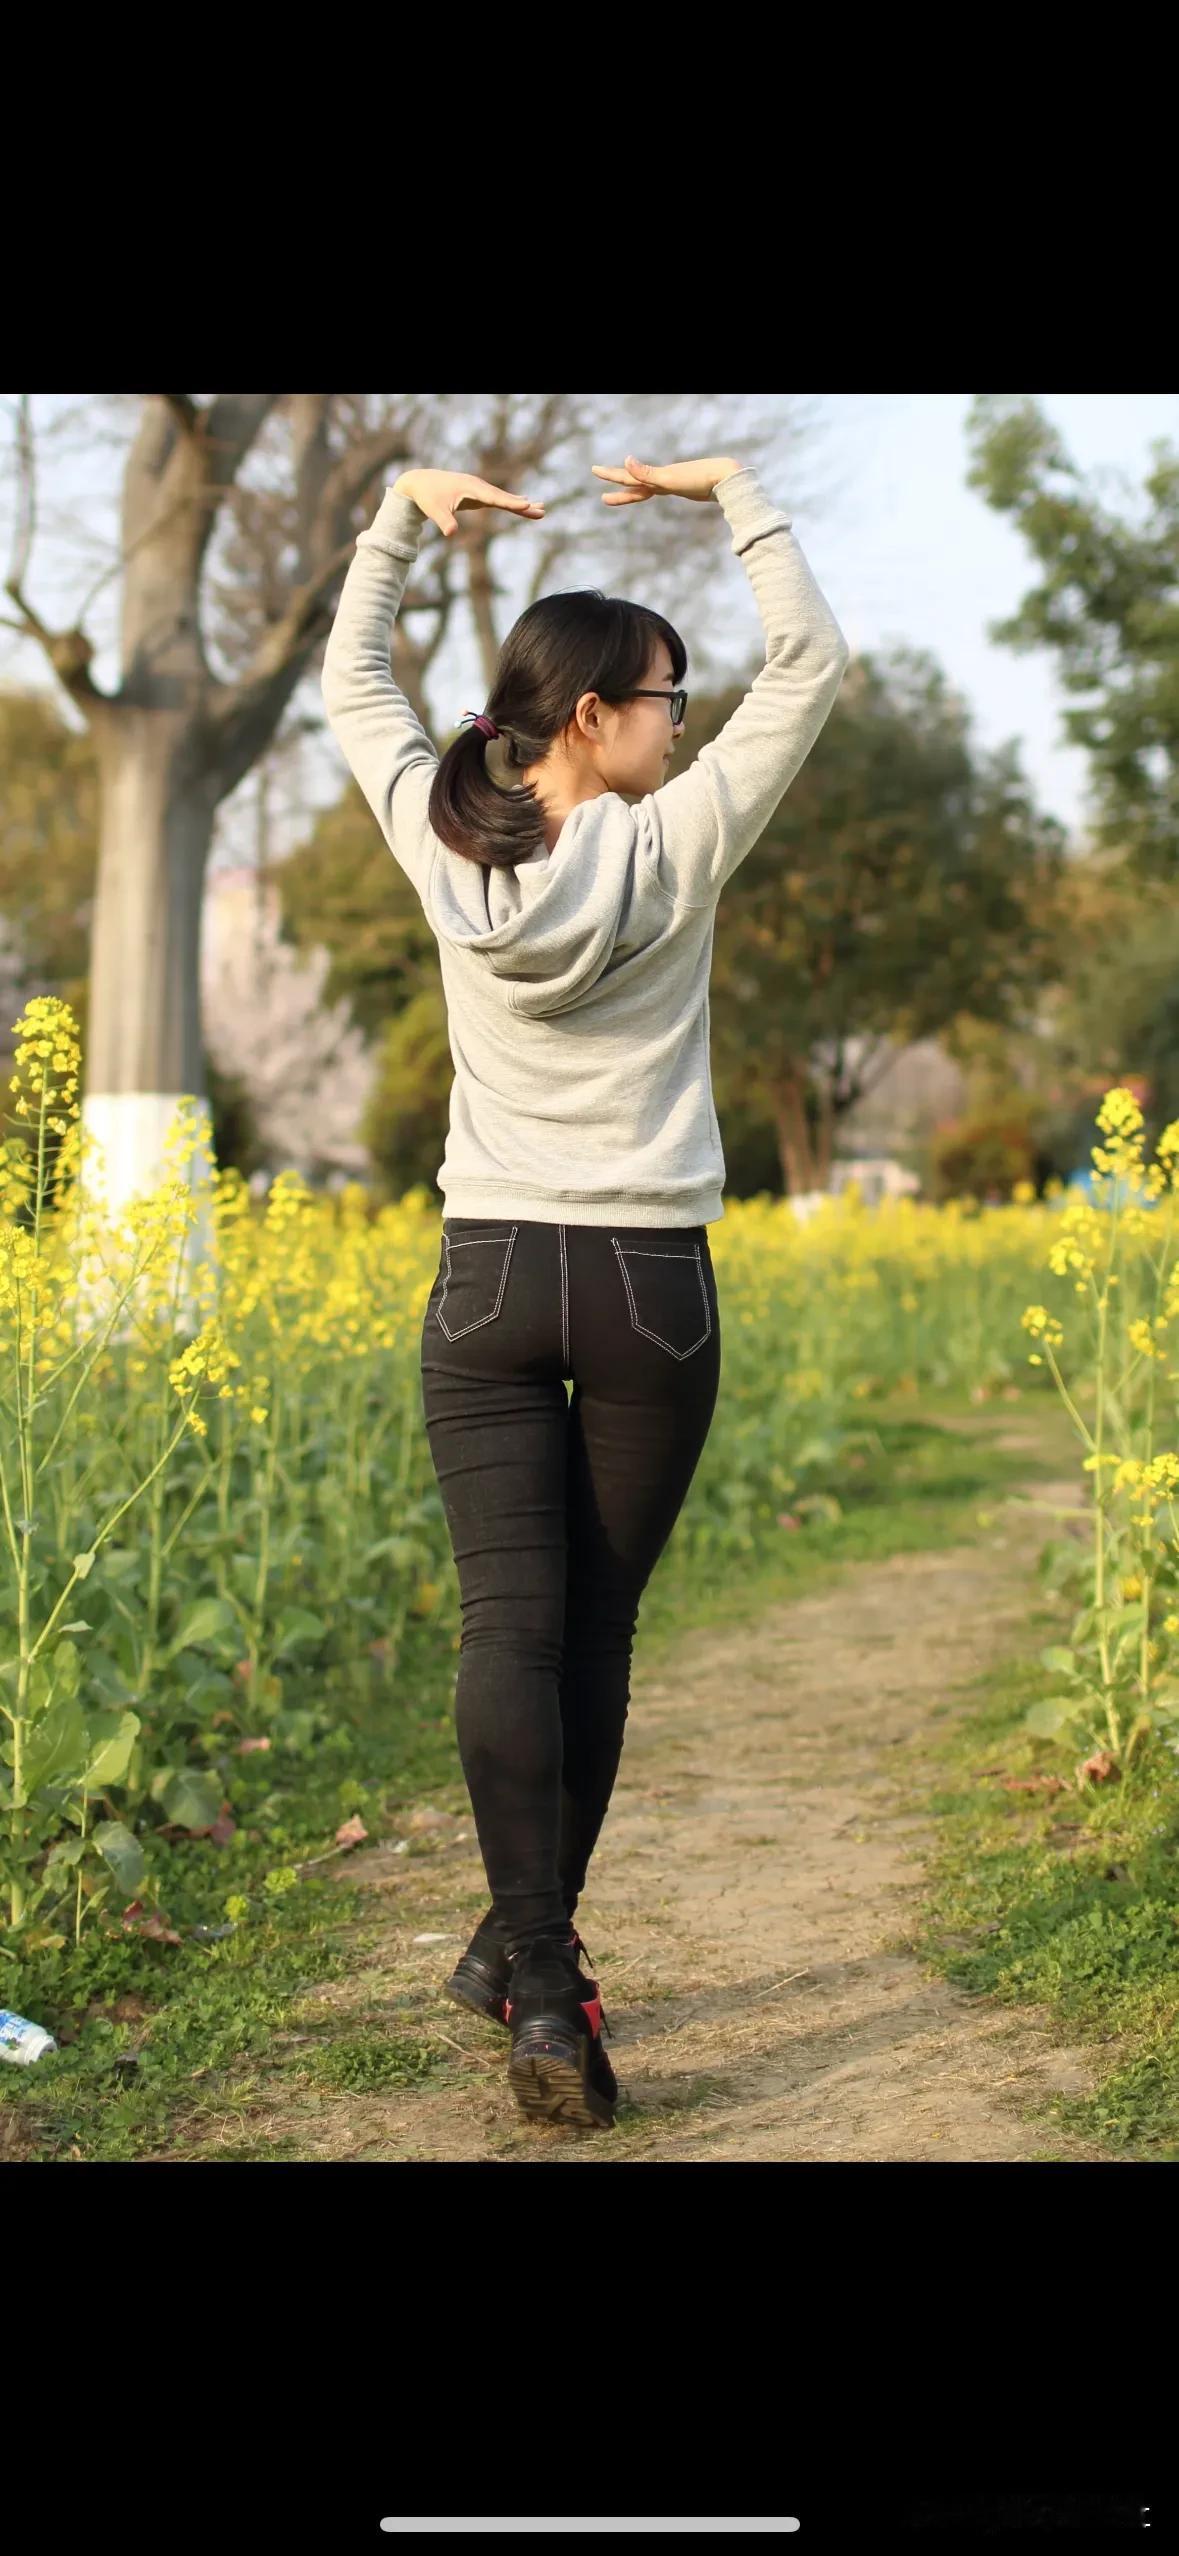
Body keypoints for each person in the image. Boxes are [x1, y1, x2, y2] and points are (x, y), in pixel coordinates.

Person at [321, 447, 849, 2132]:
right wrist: (743, 496)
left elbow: (355, 677)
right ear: (592, 719)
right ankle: (535, 1970)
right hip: (644, 1284)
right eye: (665, 699)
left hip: (486, 1279)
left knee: (507, 1631)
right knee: (592, 1634)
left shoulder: (442, 839)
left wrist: (406, 514)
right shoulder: (679, 842)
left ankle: (530, 1966)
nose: (684, 725)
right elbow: (816, 665)